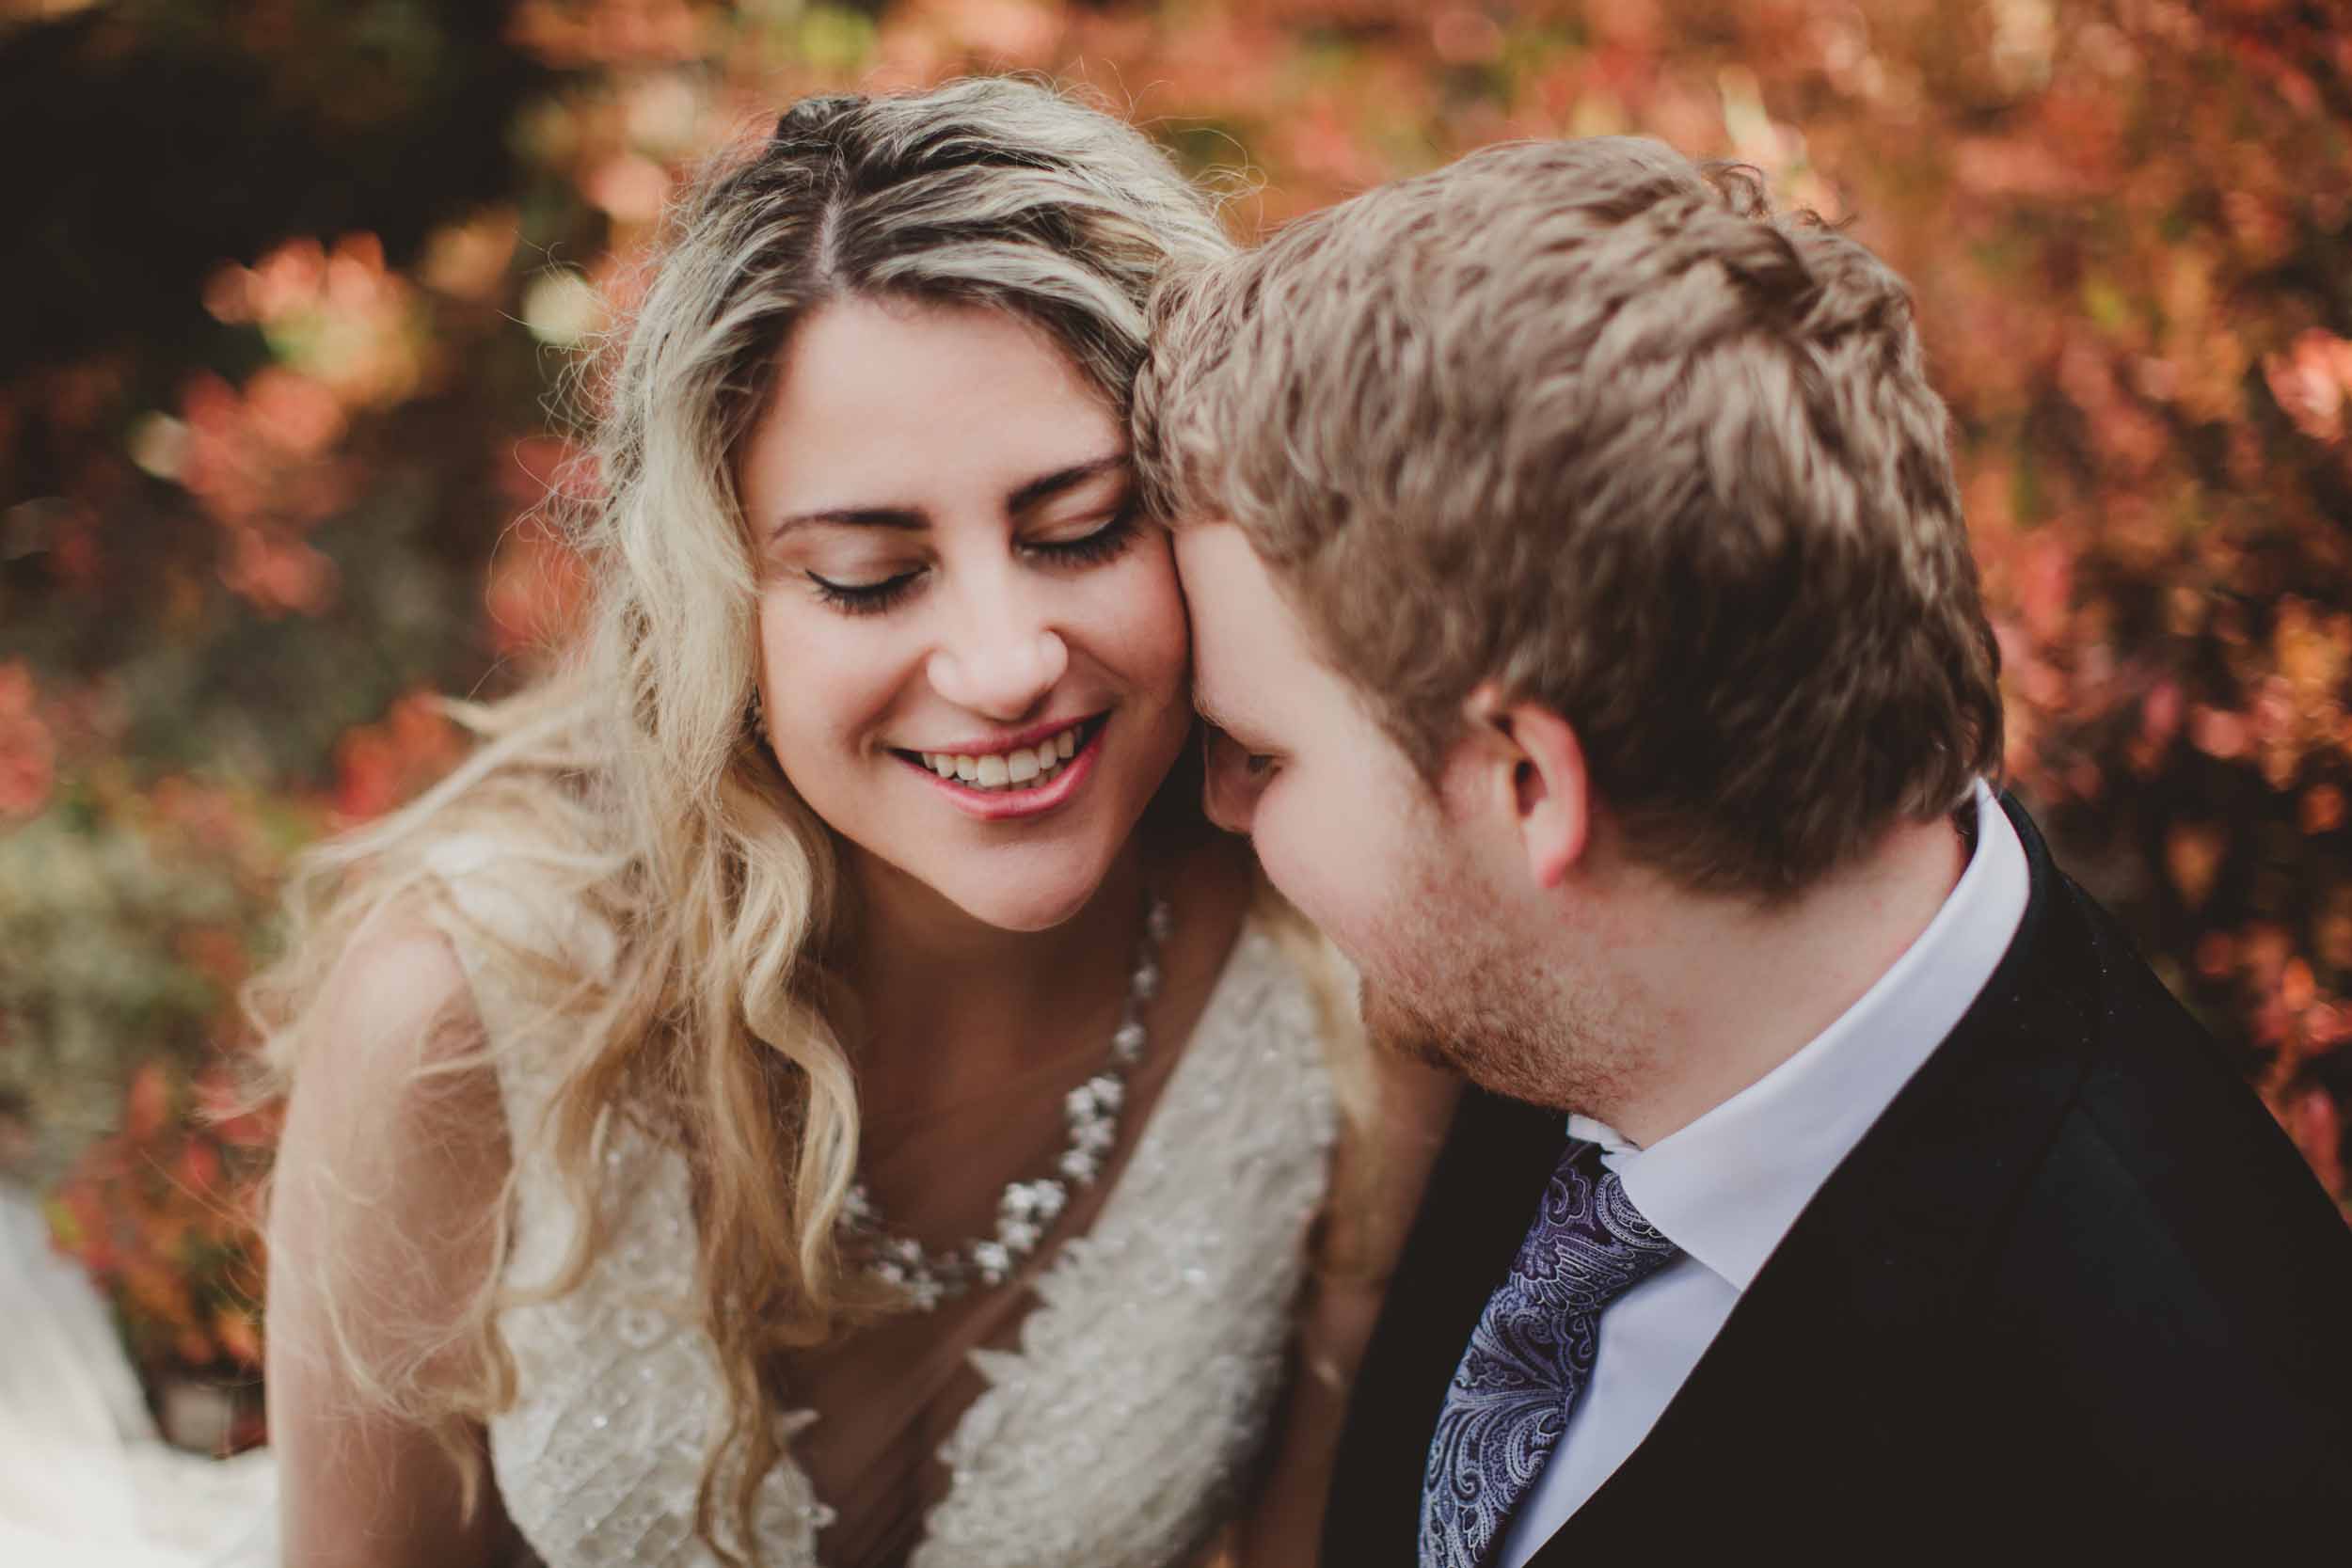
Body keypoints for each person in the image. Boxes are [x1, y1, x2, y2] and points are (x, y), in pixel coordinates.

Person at [251, 79, 1436, 1568]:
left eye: (1082, 529)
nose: (1004, 666)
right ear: (720, 612)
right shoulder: (469, 1015)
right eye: (872, 576)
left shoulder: (1347, 966)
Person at [1133, 134, 2352, 1560]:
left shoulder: (2190, 1469)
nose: (1216, 804)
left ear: (1530, 783)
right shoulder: (1580, 988)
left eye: (1262, 754)